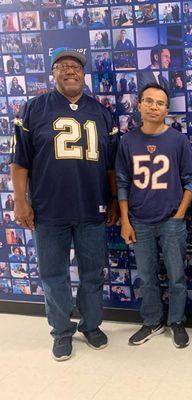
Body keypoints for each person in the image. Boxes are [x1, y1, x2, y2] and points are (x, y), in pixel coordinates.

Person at [11, 47, 119, 361]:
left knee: (92, 274)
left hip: (91, 209)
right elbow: (19, 163)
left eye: (75, 66)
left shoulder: (100, 112)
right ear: (53, 73)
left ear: (84, 75)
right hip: (49, 211)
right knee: (53, 275)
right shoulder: (34, 109)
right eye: (63, 66)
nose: (70, 70)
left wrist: (112, 199)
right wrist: (20, 201)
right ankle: (61, 331)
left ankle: (91, 324)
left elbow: (111, 166)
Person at [116, 83, 192, 348]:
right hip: (139, 220)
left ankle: (176, 320)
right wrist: (125, 220)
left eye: (160, 103)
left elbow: (190, 180)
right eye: (149, 101)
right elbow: (122, 182)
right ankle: (152, 320)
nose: (154, 107)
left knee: (176, 276)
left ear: (167, 109)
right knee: (146, 275)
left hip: (171, 220)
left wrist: (180, 214)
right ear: (138, 105)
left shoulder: (178, 140)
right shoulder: (127, 141)